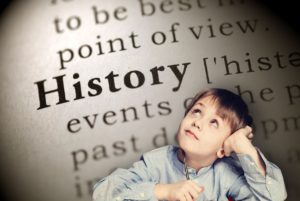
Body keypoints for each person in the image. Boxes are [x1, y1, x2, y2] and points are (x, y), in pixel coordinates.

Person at [92, 88, 287, 201]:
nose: (198, 122)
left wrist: (244, 147)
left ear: (223, 148)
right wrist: (163, 191)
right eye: (197, 112)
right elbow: (103, 194)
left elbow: (274, 197)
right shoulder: (156, 162)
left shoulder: (225, 174)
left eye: (214, 123)